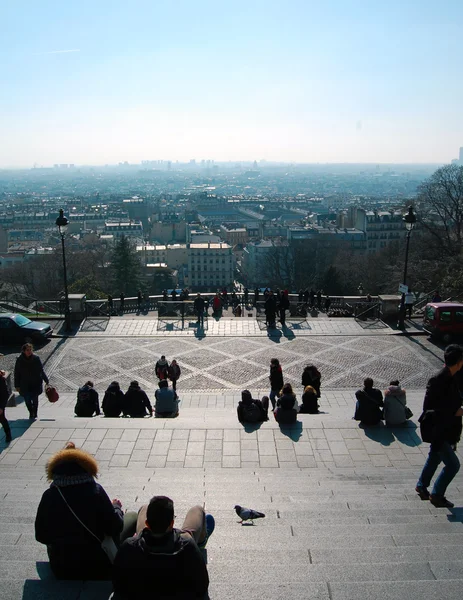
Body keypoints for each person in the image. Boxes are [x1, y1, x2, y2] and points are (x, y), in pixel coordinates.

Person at [34, 446, 134, 580]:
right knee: (132, 516)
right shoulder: (95, 491)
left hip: (62, 568)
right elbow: (115, 527)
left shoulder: (49, 495)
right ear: (87, 468)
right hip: (98, 565)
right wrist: (115, 508)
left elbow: (41, 536)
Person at [111, 496, 214, 600]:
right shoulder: (187, 546)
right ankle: (200, 542)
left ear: (147, 524)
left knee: (144, 508)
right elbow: (202, 586)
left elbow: (118, 585)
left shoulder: (129, 547)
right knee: (196, 510)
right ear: (172, 524)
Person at [416, 344, 463, 508]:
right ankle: (437, 494)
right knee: (453, 465)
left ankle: (421, 486)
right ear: (459, 362)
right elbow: (429, 408)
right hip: (439, 429)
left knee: (435, 456)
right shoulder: (438, 379)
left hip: (446, 428)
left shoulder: (454, 376)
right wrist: (455, 412)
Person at [14, 343, 49, 420]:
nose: (29, 351)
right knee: (27, 400)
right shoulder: (19, 360)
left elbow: (41, 370)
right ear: (24, 351)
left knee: (35, 400)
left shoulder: (36, 358)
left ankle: (35, 413)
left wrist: (46, 380)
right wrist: (17, 385)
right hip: (24, 384)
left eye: (30, 350)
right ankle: (31, 412)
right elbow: (17, 373)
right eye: (27, 350)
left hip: (35, 383)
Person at [0, 369, 12, 443]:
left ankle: (8, 435)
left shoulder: (1, 379)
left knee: (2, 419)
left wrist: (1, 407)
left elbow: (5, 395)